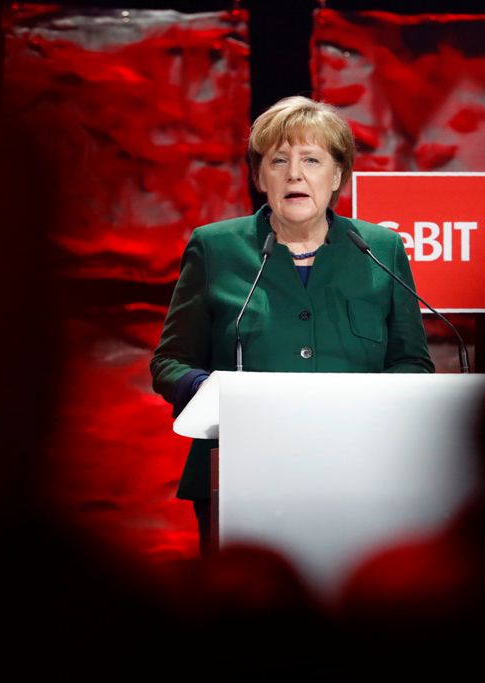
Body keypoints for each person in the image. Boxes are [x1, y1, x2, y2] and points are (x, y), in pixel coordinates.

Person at [150, 96, 434, 556]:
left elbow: (411, 363)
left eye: (311, 160)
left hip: (357, 473)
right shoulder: (215, 248)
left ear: (337, 175)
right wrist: (210, 391)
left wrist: (375, 408)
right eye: (278, 160)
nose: (294, 174)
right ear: (261, 177)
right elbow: (169, 361)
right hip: (236, 471)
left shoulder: (380, 248)